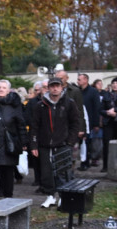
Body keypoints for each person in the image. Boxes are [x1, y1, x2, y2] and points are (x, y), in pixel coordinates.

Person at [30, 78, 84, 208]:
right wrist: (34, 144)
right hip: (44, 145)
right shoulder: (41, 105)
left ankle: (63, 197)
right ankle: (50, 196)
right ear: (48, 88)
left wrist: (70, 141)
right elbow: (34, 126)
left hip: (63, 143)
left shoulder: (69, 103)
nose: (55, 88)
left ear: (61, 87)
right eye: (52, 86)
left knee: (63, 171)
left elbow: (75, 123)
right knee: (47, 172)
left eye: (57, 86)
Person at [0, 86, 28, 199]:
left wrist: (23, 142)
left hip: (10, 142)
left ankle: (8, 196)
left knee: (8, 171)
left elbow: (21, 124)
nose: (1, 89)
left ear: (8, 90)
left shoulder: (14, 105)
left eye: (3, 88)